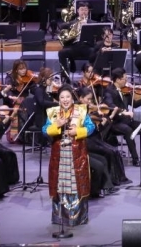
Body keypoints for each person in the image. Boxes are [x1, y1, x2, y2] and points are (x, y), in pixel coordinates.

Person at [44, 87, 95, 227]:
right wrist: (56, 125)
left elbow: (91, 127)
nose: (65, 100)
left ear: (72, 99)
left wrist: (78, 131)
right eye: (62, 97)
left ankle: (77, 218)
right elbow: (44, 130)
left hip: (77, 153)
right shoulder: (53, 112)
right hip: (59, 154)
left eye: (68, 97)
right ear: (58, 100)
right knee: (60, 184)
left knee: (76, 184)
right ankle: (60, 218)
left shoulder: (81, 111)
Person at [58, 3, 93, 79]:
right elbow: (61, 28)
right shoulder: (72, 23)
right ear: (78, 11)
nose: (84, 12)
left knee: (98, 52)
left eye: (86, 10)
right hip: (74, 47)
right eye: (82, 10)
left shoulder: (93, 23)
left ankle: (95, 76)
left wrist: (86, 26)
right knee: (61, 53)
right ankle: (65, 77)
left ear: (88, 11)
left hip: (87, 47)